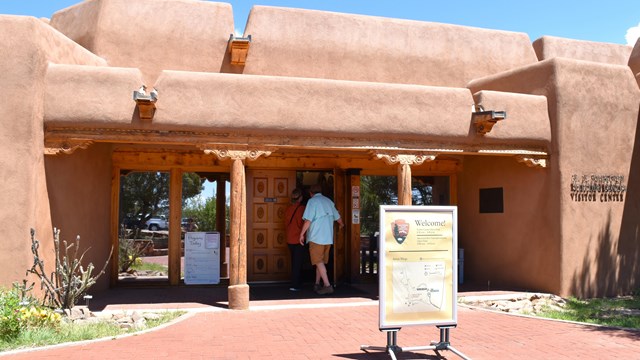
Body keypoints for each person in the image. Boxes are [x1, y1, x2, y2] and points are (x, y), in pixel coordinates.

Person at [299, 183, 344, 295]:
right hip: (328, 238)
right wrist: (341, 225)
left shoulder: (312, 202)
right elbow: (338, 218)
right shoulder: (329, 201)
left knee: (318, 262)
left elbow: (308, 220)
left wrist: (302, 234)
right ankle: (317, 284)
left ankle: (327, 285)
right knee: (321, 262)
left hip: (316, 237)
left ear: (311, 193)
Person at [284, 188, 305, 291]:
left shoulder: (288, 208)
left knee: (294, 262)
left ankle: (297, 282)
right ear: (300, 197)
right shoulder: (302, 209)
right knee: (298, 263)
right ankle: (295, 285)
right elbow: (303, 223)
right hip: (298, 239)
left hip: (289, 238)